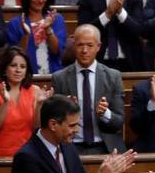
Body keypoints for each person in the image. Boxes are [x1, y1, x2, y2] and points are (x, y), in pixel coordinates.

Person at [0, 47, 52, 173]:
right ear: (5, 69)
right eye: (13, 65)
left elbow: (36, 128)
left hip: (27, 157)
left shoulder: (35, 91)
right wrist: (6, 102)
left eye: (23, 66)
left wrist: (39, 105)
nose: (18, 70)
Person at [51, 24, 126, 154]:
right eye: (80, 45)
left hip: (105, 147)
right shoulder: (60, 78)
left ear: (98, 47)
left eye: (90, 45)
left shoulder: (113, 76)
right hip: (71, 146)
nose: (84, 50)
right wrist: (64, 111)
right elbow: (53, 123)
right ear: (74, 45)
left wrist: (105, 113)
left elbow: (118, 122)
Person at [77, 0, 145, 72]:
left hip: (129, 62)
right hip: (98, 61)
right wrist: (108, 14)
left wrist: (120, 13)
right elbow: (83, 31)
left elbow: (139, 30)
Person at [6, 0, 66, 74]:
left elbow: (57, 51)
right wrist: (26, 35)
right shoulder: (15, 23)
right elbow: (15, 58)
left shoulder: (56, 19)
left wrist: (48, 29)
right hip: (27, 77)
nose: (41, 0)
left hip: (53, 76)